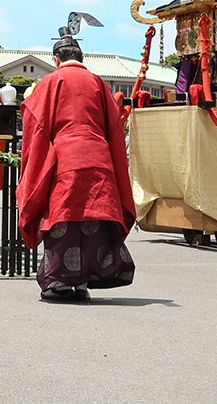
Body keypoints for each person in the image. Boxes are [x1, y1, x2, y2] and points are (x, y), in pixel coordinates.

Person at [17, 35, 136, 302]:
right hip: (99, 158)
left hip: (66, 159)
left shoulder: (50, 82)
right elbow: (115, 129)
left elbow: (35, 123)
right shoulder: (99, 83)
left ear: (56, 59)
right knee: (95, 218)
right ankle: (84, 281)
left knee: (63, 218)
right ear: (82, 59)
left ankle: (59, 282)